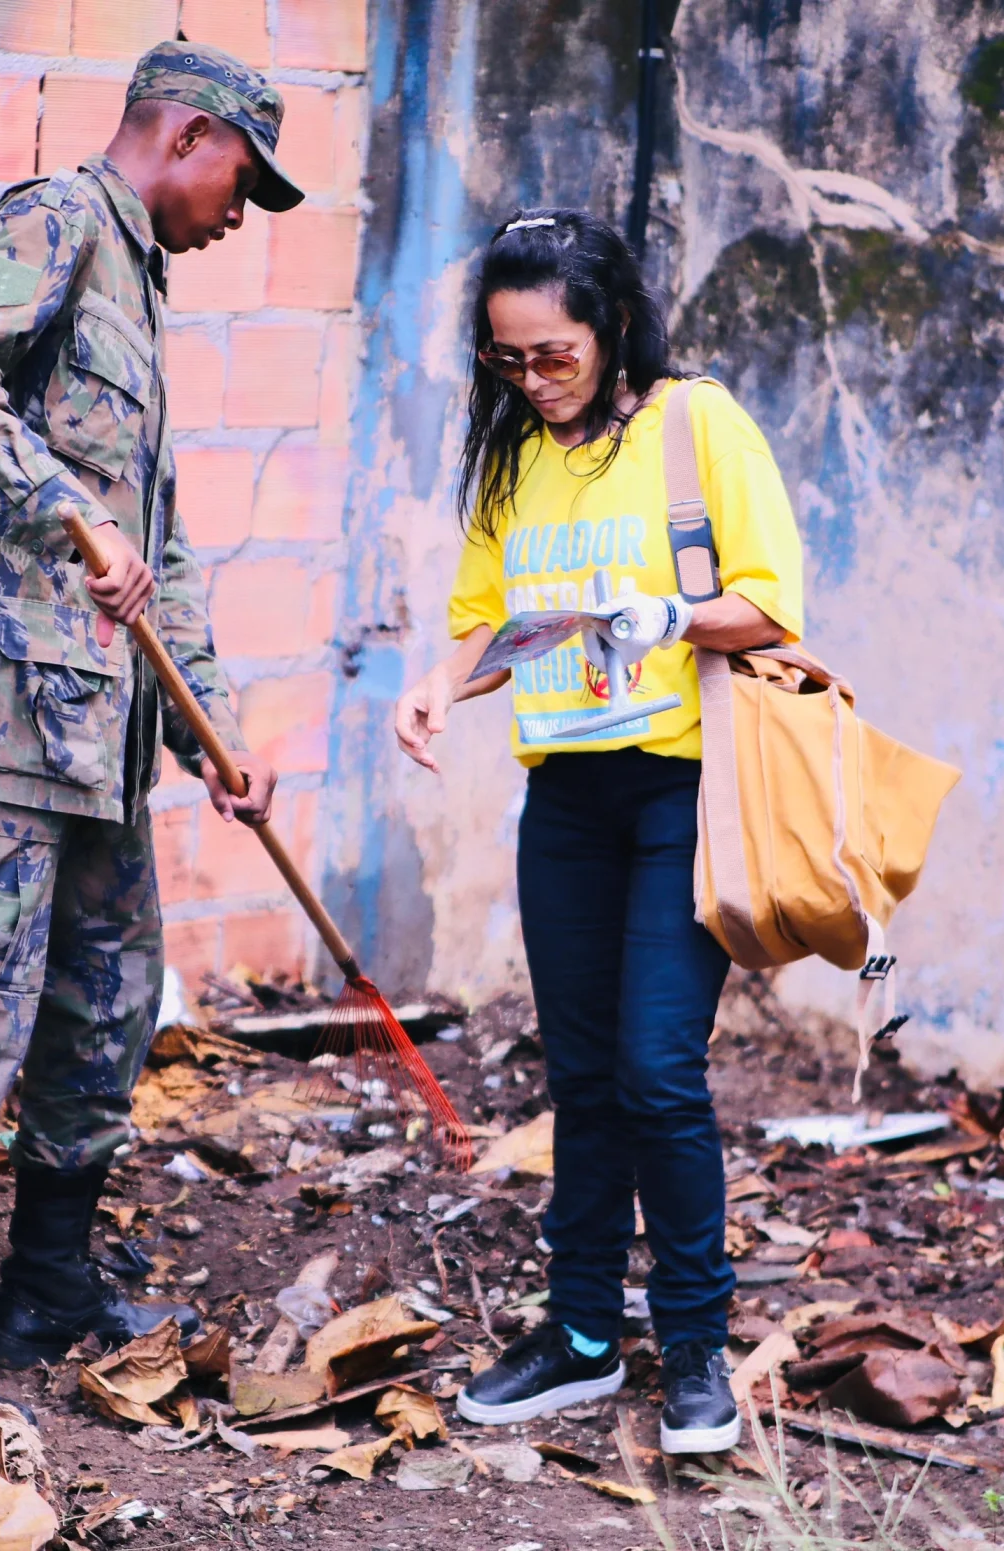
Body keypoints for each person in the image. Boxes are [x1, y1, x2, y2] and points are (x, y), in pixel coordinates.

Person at [0, 41, 300, 1442]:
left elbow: (159, 544)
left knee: (99, 1014)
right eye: (241, 184)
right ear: (190, 136)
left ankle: (45, 1286)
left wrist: (213, 725)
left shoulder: (139, 281)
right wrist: (56, 508)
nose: (236, 217)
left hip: (105, 734)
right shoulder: (52, 222)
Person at [393, 209, 805, 1454]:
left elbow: (772, 602)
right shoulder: (517, 454)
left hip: (681, 790)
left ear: (611, 325)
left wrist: (669, 614)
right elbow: (482, 614)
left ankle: (691, 1349)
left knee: (656, 1071)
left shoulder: (697, 424)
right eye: (507, 360)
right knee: (578, 1080)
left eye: (552, 356)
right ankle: (578, 1337)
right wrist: (436, 683)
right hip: (563, 797)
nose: (530, 379)